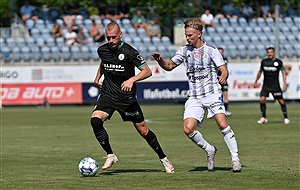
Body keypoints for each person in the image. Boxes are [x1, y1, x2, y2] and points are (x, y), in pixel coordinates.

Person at [152, 18, 242, 172]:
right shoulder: (184, 51)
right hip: (194, 96)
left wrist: (223, 76)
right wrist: (160, 60)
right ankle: (209, 149)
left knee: (222, 123)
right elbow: (168, 66)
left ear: (199, 34)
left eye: (190, 35)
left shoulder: (211, 51)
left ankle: (235, 158)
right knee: (188, 129)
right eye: (186, 35)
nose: (188, 38)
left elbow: (223, 68)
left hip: (212, 93)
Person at [90, 21, 174, 173]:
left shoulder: (129, 51)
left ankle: (164, 159)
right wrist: (97, 78)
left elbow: (147, 71)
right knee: (95, 121)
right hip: (108, 95)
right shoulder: (102, 50)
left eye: (114, 37)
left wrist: (131, 79)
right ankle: (110, 154)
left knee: (143, 131)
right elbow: (104, 62)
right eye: (108, 37)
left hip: (126, 98)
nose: (111, 41)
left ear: (120, 35)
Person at [254, 47, 290, 125]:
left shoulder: (278, 62)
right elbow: (260, 72)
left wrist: (284, 83)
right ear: (267, 53)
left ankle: (286, 117)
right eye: (268, 52)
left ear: (274, 53)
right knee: (262, 100)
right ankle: (263, 117)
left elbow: (283, 72)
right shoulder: (264, 62)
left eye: (271, 52)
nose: (270, 54)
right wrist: (256, 81)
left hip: (275, 85)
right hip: (266, 85)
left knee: (281, 101)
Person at [218, 47, 231, 116]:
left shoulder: (225, 59)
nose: (220, 53)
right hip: (216, 80)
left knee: (225, 95)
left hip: (224, 79)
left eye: (221, 52)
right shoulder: (214, 59)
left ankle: (226, 110)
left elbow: (224, 69)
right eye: (219, 52)